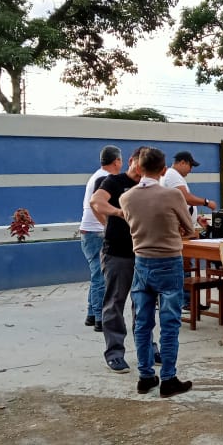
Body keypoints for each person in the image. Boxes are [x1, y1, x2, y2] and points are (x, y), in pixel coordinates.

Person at [120, 147, 195, 398]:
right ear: (164, 169)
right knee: (170, 322)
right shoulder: (172, 195)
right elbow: (190, 228)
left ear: (138, 168)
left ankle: (145, 376)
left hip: (141, 262)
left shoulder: (126, 198)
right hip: (169, 261)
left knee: (142, 322)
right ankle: (168, 378)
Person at [89, 146, 158, 372]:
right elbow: (96, 202)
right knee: (115, 303)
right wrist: (118, 214)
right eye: (139, 168)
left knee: (144, 304)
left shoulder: (150, 185)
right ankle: (115, 352)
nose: (142, 174)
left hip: (144, 254)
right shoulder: (113, 182)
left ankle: (148, 347)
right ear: (131, 161)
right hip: (117, 254)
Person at [80, 145, 121, 328]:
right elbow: (98, 205)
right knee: (101, 276)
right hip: (96, 232)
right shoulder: (105, 178)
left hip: (90, 232)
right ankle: (100, 317)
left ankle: (91, 313)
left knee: (96, 273)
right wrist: (108, 226)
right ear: (116, 161)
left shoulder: (97, 176)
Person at [161, 150, 218, 233]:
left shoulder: (175, 175)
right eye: (190, 166)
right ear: (182, 163)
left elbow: (181, 203)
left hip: (182, 226)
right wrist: (207, 202)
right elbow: (186, 198)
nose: (191, 169)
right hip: (178, 228)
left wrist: (196, 218)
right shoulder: (172, 175)